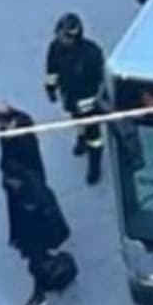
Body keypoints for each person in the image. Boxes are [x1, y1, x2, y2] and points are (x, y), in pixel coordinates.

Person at [45, 12, 107, 185]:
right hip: (70, 96)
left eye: (63, 36)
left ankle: (94, 166)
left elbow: (101, 81)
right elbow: (52, 70)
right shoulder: (55, 48)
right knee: (77, 121)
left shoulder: (91, 53)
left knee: (94, 137)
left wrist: (95, 101)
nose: (59, 38)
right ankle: (81, 139)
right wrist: (50, 88)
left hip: (89, 102)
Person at [4, 164, 71, 305]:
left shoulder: (31, 197)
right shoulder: (26, 191)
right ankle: (52, 280)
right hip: (35, 237)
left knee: (37, 266)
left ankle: (39, 295)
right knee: (39, 264)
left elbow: (37, 222)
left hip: (38, 238)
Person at [0, 102, 45, 188]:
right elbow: (6, 153)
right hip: (19, 173)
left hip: (27, 173)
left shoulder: (23, 129)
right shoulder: (4, 132)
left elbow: (27, 153)